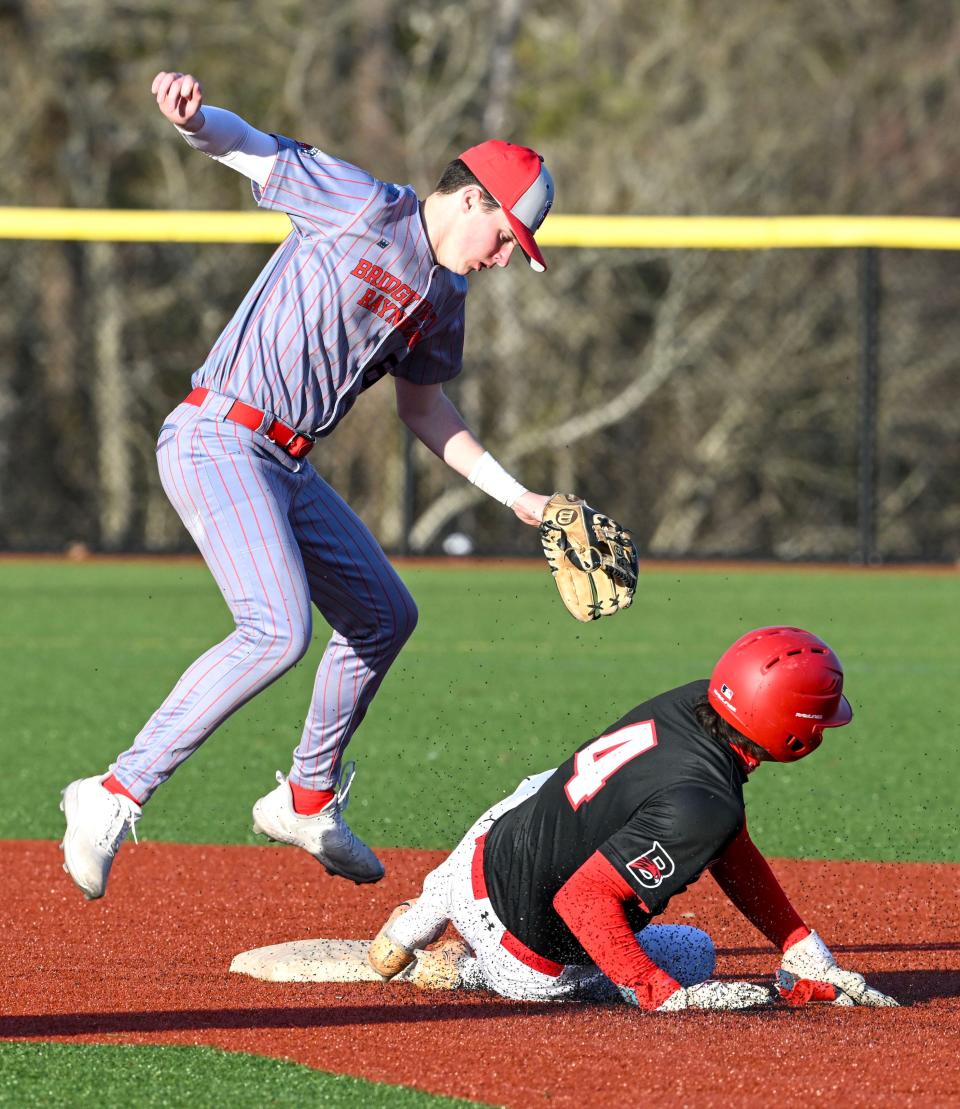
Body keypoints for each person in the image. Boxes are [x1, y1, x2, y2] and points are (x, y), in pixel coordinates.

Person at [59, 71, 556, 901]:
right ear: (471, 200)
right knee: (276, 630)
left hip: (285, 464)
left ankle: (305, 796)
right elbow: (250, 149)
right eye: (506, 237)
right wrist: (192, 121)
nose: (506, 257)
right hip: (218, 434)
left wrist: (519, 497)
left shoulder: (445, 294)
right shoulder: (364, 204)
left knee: (384, 614)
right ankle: (110, 795)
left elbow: (426, 409)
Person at [368, 626, 899, 1011]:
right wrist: (659, 993)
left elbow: (722, 838)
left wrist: (800, 946)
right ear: (792, 731)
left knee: (550, 781)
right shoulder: (708, 803)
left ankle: (423, 915)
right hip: (524, 960)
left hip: (480, 852)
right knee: (694, 954)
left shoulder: (696, 700)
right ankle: (465, 970)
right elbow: (581, 901)